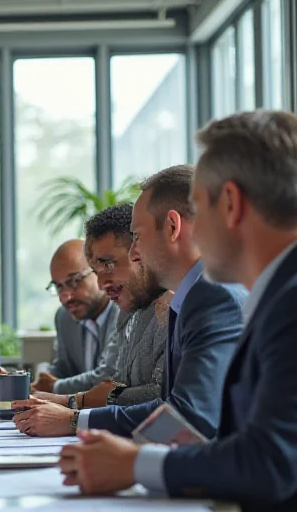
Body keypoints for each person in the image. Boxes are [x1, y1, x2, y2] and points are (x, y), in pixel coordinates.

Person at [59, 110, 297, 512]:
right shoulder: (286, 290)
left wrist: (135, 463)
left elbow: (271, 459)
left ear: (232, 205)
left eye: (199, 206)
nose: (134, 253)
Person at [14, 165, 246, 440]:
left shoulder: (215, 298)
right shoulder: (189, 299)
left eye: (136, 236)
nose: (134, 253)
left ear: (172, 227)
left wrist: (77, 421)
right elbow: (171, 408)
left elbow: (190, 417)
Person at [34, 203, 171, 410]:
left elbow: (161, 396)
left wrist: (74, 407)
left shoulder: (178, 306)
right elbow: (119, 384)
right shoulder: (131, 312)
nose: (102, 284)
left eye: (108, 264)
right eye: (97, 271)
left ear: (140, 252)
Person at [35, 239, 119, 395]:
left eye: (74, 281)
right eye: (59, 287)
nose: (66, 297)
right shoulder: (64, 317)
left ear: (99, 271)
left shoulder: (124, 311)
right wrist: (33, 379)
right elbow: (63, 369)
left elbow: (110, 378)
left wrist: (54, 386)